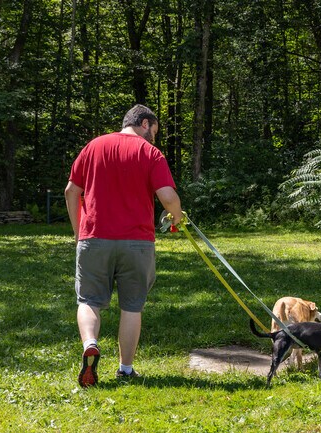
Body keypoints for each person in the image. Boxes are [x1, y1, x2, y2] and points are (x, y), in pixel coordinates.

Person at [65, 104, 183, 387]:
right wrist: (176, 216)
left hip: (93, 238)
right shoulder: (149, 152)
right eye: (153, 132)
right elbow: (167, 196)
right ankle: (126, 369)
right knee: (132, 306)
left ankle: (90, 343)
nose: (153, 138)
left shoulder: (93, 146)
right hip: (137, 242)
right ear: (144, 123)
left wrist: (79, 230)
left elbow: (71, 191)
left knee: (89, 300)